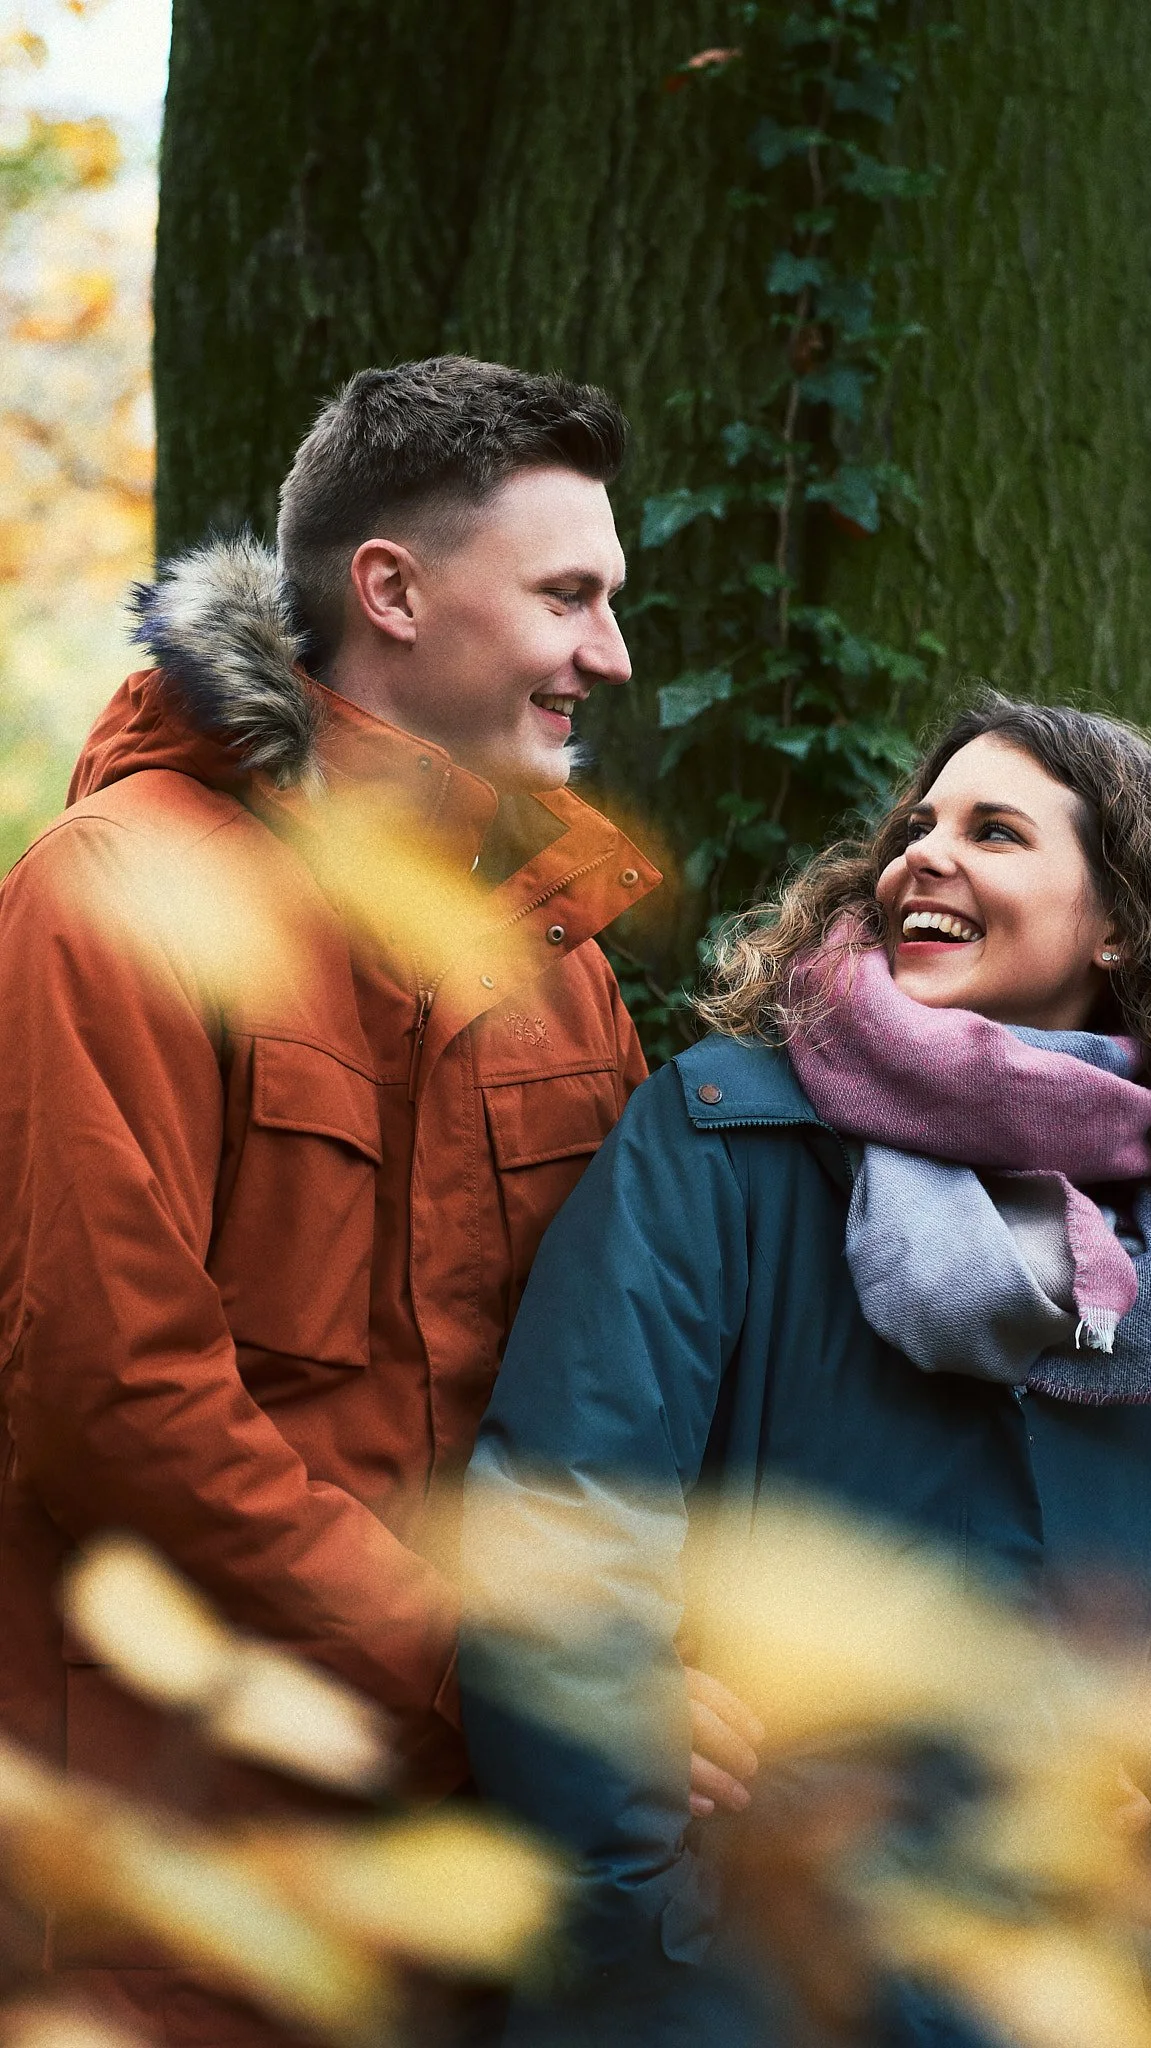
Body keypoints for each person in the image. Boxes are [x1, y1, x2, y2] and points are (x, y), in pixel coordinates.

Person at [461, 693, 1151, 2045]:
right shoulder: (722, 1144)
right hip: (735, 1982)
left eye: (995, 831)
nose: (922, 855)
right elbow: (556, 1542)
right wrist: (659, 1946)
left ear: (1117, 923)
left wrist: (1133, 1810)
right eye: (916, 826)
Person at [0, 355, 682, 2047]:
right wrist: (483, 1673)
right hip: (182, 1859)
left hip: (481, 1867)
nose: (612, 652)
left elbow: (634, 1380)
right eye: (570, 595)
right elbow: (115, 1396)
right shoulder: (116, 898)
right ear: (391, 587)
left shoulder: (555, 959)